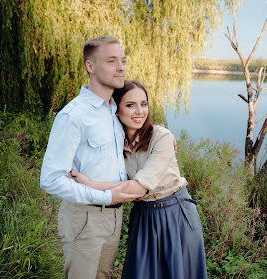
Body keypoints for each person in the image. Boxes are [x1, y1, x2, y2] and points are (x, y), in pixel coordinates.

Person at [69, 80, 208, 279]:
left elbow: (138, 189)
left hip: (175, 215)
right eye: (130, 105)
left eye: (143, 104)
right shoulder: (113, 143)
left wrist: (91, 185)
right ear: (116, 110)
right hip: (144, 216)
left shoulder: (161, 137)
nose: (139, 112)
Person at [40, 36, 142, 279]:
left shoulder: (113, 110)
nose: (121, 68)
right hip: (85, 218)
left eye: (123, 61)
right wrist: (106, 195)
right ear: (90, 67)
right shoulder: (73, 116)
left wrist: (162, 134)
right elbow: (51, 179)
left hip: (114, 217)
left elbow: (139, 129)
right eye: (111, 61)